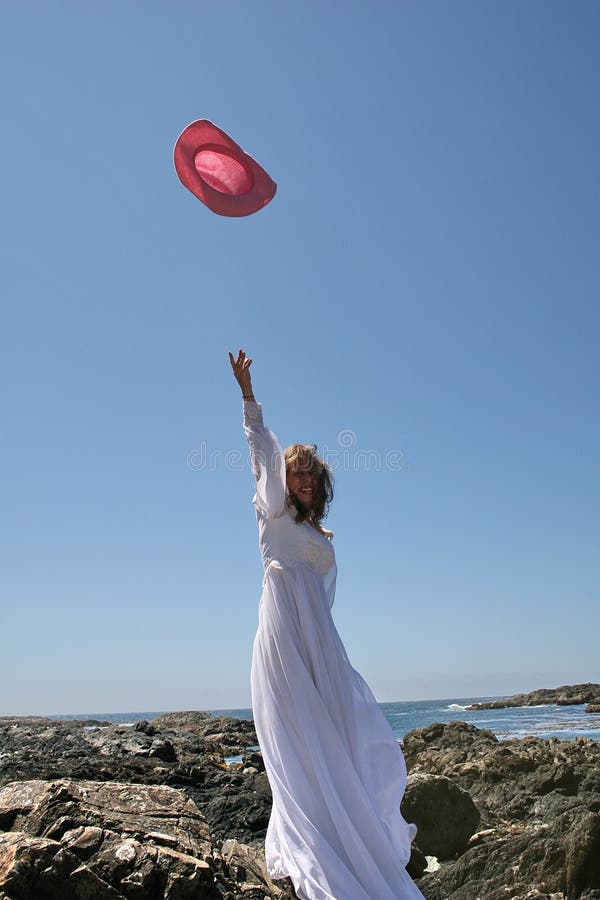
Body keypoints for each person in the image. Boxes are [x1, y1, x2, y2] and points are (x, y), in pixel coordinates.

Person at [229, 349, 425, 900]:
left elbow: (326, 598)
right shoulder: (270, 509)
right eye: (298, 471)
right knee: (298, 738)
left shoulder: (317, 536)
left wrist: (318, 544)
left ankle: (350, 833)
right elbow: (262, 448)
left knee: (342, 734)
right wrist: (248, 395)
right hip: (284, 638)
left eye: (313, 473)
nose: (306, 479)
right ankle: (315, 839)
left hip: (322, 646)